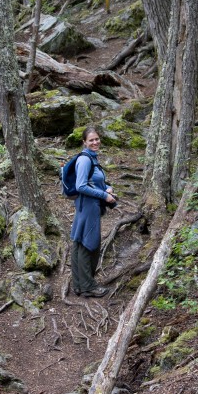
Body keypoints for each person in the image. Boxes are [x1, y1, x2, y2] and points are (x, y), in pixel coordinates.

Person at [70, 126, 117, 298]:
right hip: (88, 207)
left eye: (97, 139)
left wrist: (107, 188)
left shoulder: (92, 158)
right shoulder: (85, 160)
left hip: (87, 205)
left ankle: (78, 285)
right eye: (91, 140)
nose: (95, 142)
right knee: (89, 244)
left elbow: (93, 182)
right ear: (84, 142)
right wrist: (104, 195)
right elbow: (81, 186)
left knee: (80, 242)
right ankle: (88, 287)